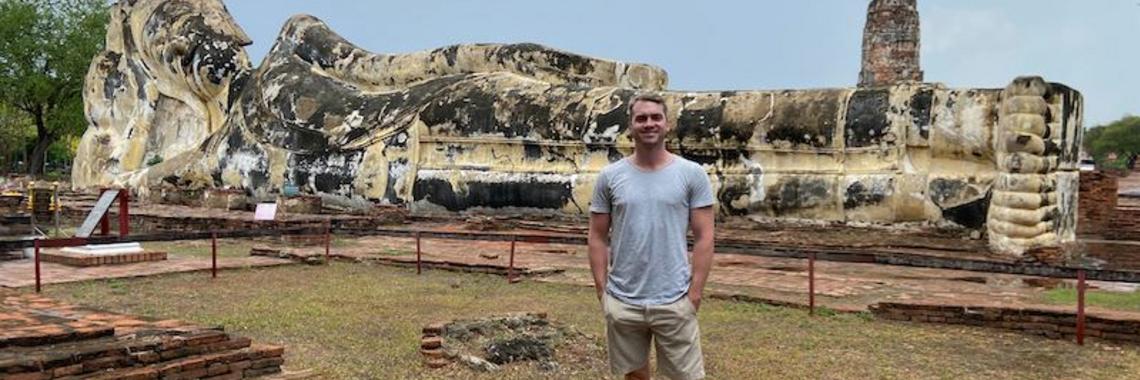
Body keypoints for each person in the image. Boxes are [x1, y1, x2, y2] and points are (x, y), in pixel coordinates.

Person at [588, 93, 716, 380]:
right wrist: (602, 291)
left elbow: (705, 236)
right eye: (641, 118)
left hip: (675, 298)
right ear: (631, 126)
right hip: (624, 299)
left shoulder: (691, 174)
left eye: (655, 117)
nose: (649, 124)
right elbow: (597, 236)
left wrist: (694, 294)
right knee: (633, 375)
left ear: (667, 124)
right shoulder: (610, 177)